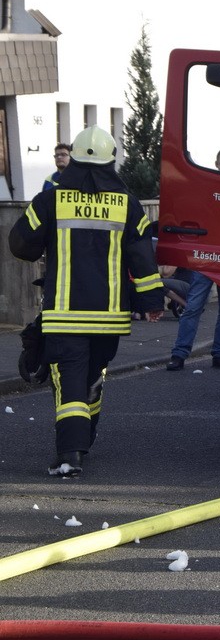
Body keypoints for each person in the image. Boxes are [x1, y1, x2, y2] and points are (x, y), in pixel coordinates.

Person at [8, 126, 165, 476]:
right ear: (112, 163)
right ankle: (85, 441)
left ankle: (69, 455)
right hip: (109, 318)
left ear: (72, 161)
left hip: (65, 315)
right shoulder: (128, 204)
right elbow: (143, 259)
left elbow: (20, 244)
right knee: (93, 377)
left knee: (70, 384)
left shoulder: (51, 199)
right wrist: (153, 300)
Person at [166, 147, 220, 371]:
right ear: (216, 164)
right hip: (207, 258)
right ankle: (179, 355)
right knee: (193, 308)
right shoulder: (206, 190)